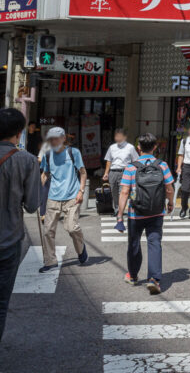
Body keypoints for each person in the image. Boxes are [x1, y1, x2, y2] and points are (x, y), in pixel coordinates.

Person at [115, 133, 175, 294]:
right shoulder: (162, 165)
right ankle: (154, 279)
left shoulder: (130, 167)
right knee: (154, 243)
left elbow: (124, 192)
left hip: (136, 213)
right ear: (155, 147)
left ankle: (133, 276)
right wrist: (170, 203)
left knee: (134, 244)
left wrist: (120, 215)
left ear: (138, 148)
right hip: (156, 212)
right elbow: (169, 188)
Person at [0, 108, 40, 342]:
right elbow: (33, 205)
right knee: (2, 302)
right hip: (8, 239)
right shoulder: (26, 160)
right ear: (19, 133)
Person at [39, 127, 87, 272]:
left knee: (71, 228)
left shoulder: (73, 152)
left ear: (63, 138)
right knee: (48, 231)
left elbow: (83, 173)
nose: (54, 141)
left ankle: (81, 248)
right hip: (53, 197)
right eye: (51, 139)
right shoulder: (48, 155)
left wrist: (81, 191)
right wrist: (38, 191)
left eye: (56, 138)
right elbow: (45, 174)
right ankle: (50, 261)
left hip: (72, 196)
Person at [103, 128, 139, 216]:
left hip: (125, 172)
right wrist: (106, 173)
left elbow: (136, 161)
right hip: (113, 172)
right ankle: (116, 208)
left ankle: (120, 210)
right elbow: (108, 160)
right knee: (113, 191)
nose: (117, 138)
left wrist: (134, 173)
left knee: (122, 192)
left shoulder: (130, 147)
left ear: (125, 137)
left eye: (119, 136)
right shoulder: (112, 147)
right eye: (116, 136)